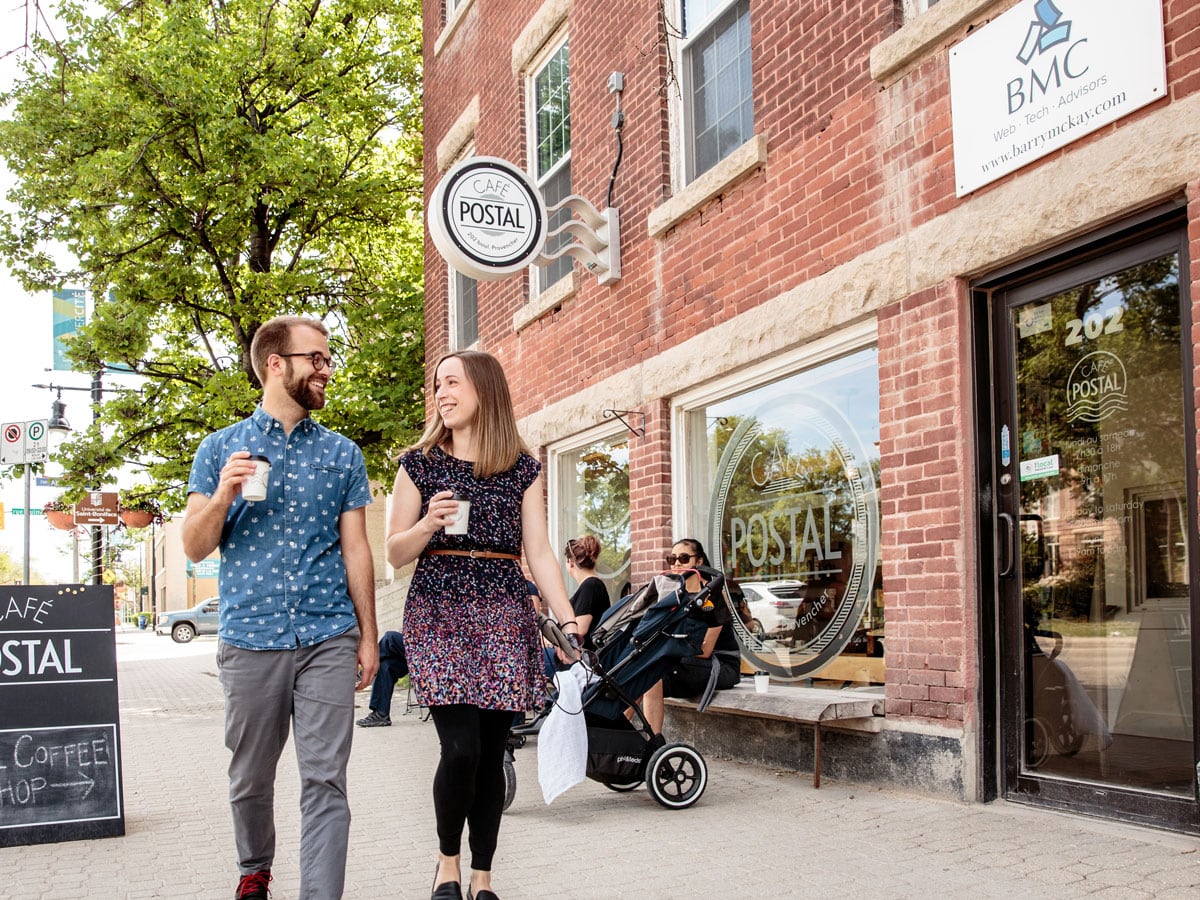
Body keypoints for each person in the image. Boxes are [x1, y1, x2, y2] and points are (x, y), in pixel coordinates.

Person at [182, 315, 378, 900]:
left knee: (325, 781)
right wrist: (223, 493)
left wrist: (368, 636)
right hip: (250, 640)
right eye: (315, 359)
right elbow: (194, 546)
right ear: (276, 364)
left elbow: (356, 550)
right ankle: (254, 868)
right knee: (249, 779)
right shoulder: (219, 448)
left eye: (326, 359)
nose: (326, 369)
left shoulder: (343, 455)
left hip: (327, 636)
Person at [386, 349, 580, 900]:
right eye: (437, 384)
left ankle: (483, 877)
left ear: (484, 390)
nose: (441, 393)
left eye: (453, 382)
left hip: (502, 609)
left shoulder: (521, 467)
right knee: (461, 749)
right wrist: (429, 522)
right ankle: (447, 864)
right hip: (440, 609)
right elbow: (395, 552)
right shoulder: (418, 463)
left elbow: (538, 552)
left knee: (493, 750)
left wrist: (567, 621)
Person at [640, 538, 741, 735]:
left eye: (684, 558)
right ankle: (616, 738)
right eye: (672, 558)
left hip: (720, 664)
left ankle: (652, 742)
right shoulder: (676, 596)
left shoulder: (713, 596)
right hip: (686, 661)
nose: (677, 563)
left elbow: (705, 650)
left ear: (699, 561)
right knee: (639, 674)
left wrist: (665, 650)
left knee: (652, 677)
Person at [564, 535, 610, 649]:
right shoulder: (591, 585)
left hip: (581, 657)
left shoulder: (590, 586)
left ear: (571, 562)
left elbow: (579, 630)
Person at [357, 631, 410, 727]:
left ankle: (368, 669)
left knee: (390, 637)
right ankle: (381, 713)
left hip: (435, 650)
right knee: (385, 666)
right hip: (418, 652)